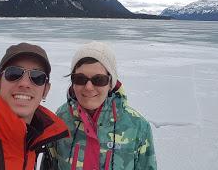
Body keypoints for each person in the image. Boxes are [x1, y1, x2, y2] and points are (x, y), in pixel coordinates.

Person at [43, 41, 157, 170]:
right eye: (80, 79)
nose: (89, 87)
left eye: (99, 80)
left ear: (110, 84)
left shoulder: (137, 126)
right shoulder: (60, 119)